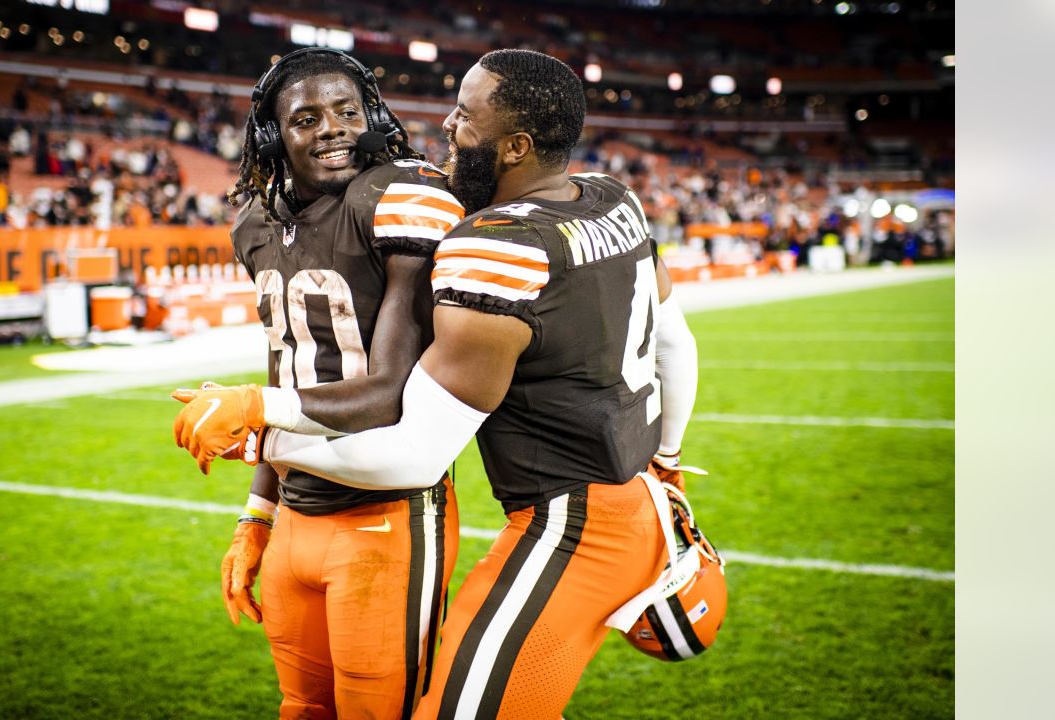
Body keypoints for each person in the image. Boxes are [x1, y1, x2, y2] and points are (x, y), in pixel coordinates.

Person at [174, 49, 703, 718]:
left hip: (555, 524)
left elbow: (411, 450)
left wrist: (257, 425)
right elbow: (675, 342)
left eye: (464, 115)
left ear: (513, 146)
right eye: (307, 118)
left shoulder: (486, 242)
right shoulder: (610, 197)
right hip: (630, 497)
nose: (446, 126)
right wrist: (670, 460)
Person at [173, 48, 465, 719]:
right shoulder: (255, 222)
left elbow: (388, 388)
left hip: (386, 512)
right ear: (274, 136)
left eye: (346, 111)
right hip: (299, 516)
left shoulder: (396, 197)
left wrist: (252, 408)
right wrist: (257, 515)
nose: (332, 128)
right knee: (303, 709)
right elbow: (292, 364)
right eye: (306, 118)